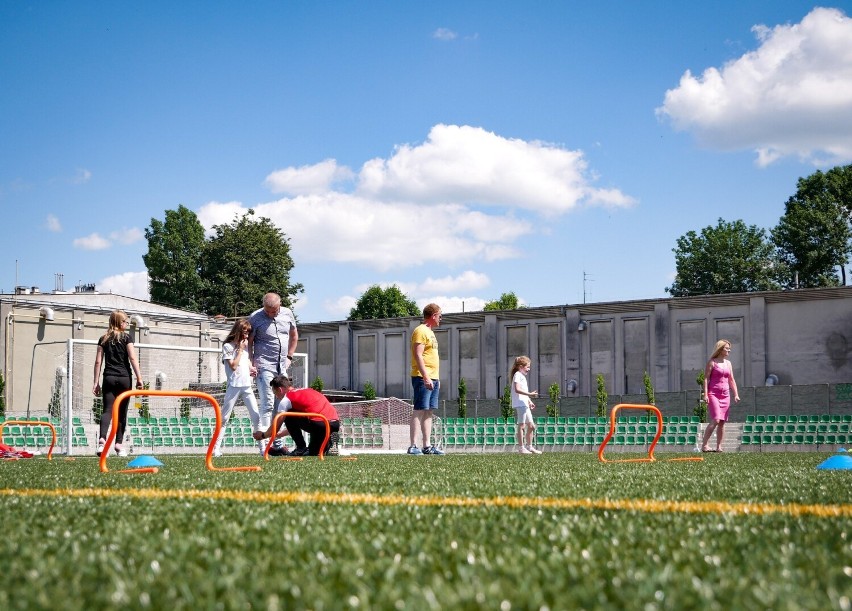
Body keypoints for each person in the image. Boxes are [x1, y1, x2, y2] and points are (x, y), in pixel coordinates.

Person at [248, 292, 298, 453]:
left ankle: (276, 445)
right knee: (268, 403)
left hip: (281, 366)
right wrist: (250, 362)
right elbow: (249, 342)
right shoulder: (255, 317)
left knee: (281, 405)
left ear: (280, 305)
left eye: (274, 311)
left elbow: (294, 336)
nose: (270, 314)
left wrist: (289, 356)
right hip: (264, 365)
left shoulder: (287, 313)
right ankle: (264, 447)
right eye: (267, 311)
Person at [92, 310, 144, 457]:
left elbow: (98, 362)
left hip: (108, 377)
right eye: (125, 322)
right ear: (119, 323)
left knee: (107, 410)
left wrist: (96, 382)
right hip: (124, 378)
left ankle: (102, 442)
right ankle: (119, 445)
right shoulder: (127, 338)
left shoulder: (103, 339)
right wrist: (139, 378)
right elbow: (132, 358)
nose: (127, 324)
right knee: (122, 412)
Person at [253, 375, 340, 456]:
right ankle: (330, 443)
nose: (276, 397)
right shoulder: (308, 390)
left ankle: (301, 447)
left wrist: (263, 435)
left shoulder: (286, 399)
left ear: (280, 389)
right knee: (314, 452)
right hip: (334, 423)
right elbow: (298, 422)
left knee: (287, 414)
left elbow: (276, 426)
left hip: (319, 424)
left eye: (275, 393)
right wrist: (280, 435)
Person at [214, 318, 263, 458]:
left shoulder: (245, 346)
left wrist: (251, 368)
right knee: (224, 418)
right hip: (233, 387)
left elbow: (245, 361)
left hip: (247, 386)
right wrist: (240, 350)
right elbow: (233, 366)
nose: (246, 336)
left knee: (256, 416)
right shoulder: (228, 347)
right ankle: (215, 448)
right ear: (238, 331)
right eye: (244, 333)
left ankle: (262, 449)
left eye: (248, 333)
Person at [408, 303, 444, 455]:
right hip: (423, 377)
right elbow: (418, 354)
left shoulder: (430, 332)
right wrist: (426, 377)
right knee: (419, 410)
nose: (441, 319)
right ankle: (413, 446)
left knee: (429, 411)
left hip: (433, 378)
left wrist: (435, 379)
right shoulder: (420, 330)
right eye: (440, 316)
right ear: (433, 315)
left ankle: (427, 446)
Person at [700, 339, 740, 453]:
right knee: (716, 419)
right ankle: (705, 445)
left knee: (722, 422)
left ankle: (719, 447)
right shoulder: (712, 362)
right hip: (713, 394)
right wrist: (705, 394)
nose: (729, 350)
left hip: (725, 395)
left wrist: (736, 394)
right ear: (720, 349)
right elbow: (706, 379)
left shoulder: (728, 363)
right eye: (727, 348)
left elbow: (731, 379)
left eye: (729, 348)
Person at [510, 356, 541, 454]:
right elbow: (517, 389)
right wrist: (530, 394)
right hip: (520, 404)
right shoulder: (517, 375)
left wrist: (529, 400)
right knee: (522, 425)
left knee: (531, 426)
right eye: (527, 367)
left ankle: (529, 446)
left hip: (524, 403)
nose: (529, 369)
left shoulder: (522, 376)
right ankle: (521, 448)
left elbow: (523, 391)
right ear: (520, 366)